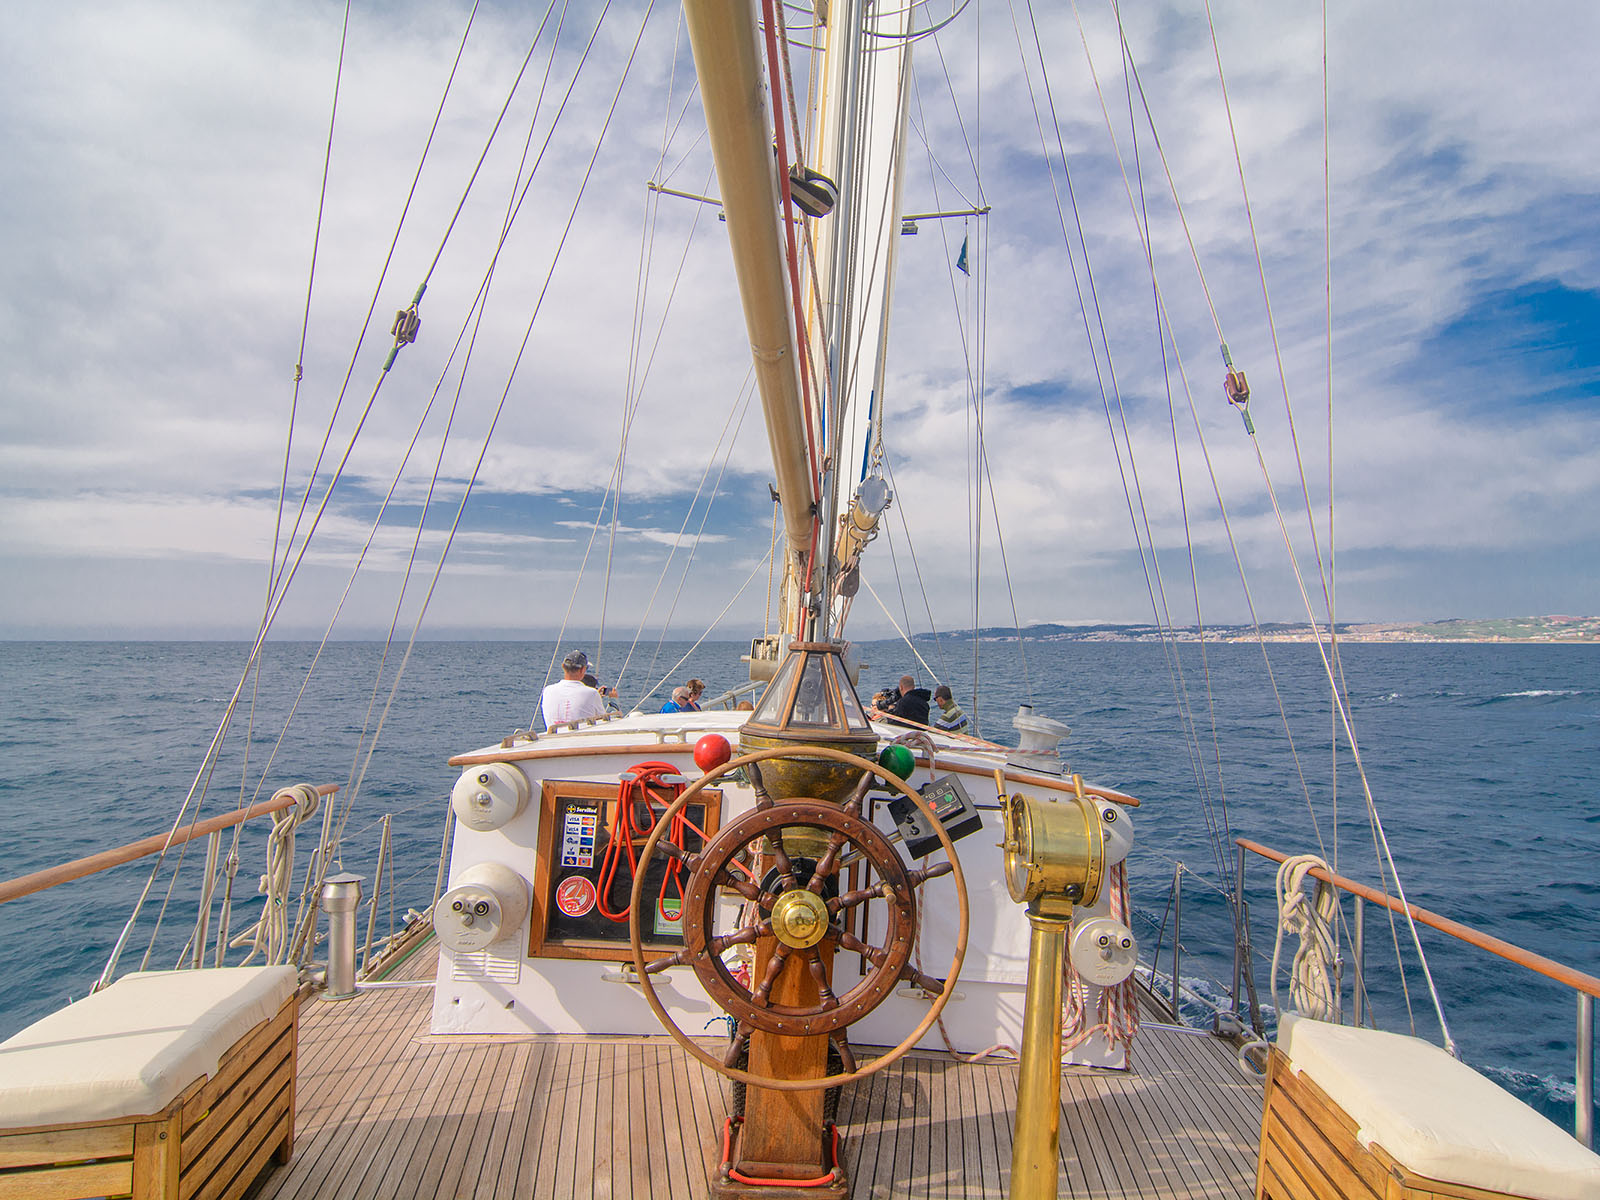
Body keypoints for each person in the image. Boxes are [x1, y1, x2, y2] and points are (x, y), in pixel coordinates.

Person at [541, 650, 608, 729]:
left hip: (553, 738)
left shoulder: (547, 690)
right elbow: (604, 720)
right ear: (583, 669)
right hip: (582, 739)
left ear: (563, 666)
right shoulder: (592, 693)